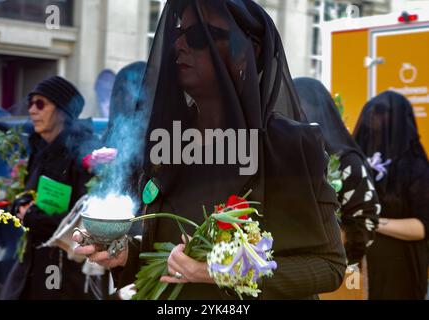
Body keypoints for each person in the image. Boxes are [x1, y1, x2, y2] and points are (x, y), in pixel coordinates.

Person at [75, 0, 346, 299]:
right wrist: (124, 252)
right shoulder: (168, 141)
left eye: (199, 36)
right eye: (178, 32)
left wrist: (224, 272)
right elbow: (173, 258)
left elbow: (328, 265)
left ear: (245, 53)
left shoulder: (287, 145)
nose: (179, 44)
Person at [0, 76, 98, 300]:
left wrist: (34, 217)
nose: (33, 110)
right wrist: (20, 205)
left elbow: (84, 222)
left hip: (62, 268)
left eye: (41, 104)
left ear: (63, 111)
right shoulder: (40, 148)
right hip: (32, 261)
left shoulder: (82, 155)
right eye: (31, 104)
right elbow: (30, 193)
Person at [294, 78, 381, 299]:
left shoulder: (346, 163)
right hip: (292, 277)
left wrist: (317, 240)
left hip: (338, 278)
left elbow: (366, 223)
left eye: (298, 107)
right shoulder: (289, 158)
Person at [354, 90, 429, 300]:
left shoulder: (415, 167)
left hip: (401, 269)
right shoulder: (358, 163)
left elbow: (422, 226)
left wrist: (373, 223)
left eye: (382, 114)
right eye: (373, 114)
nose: (374, 120)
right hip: (364, 267)